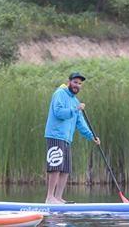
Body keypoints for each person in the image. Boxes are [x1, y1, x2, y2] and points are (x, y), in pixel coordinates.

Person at [43, 72, 100, 204]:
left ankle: (58, 198)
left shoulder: (75, 101)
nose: (77, 85)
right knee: (56, 166)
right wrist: (75, 109)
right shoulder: (60, 94)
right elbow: (58, 113)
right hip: (55, 135)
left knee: (65, 169)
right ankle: (49, 198)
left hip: (67, 139)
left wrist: (91, 136)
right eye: (75, 82)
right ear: (69, 82)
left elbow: (80, 123)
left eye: (80, 84)